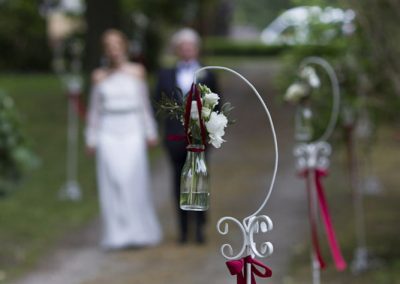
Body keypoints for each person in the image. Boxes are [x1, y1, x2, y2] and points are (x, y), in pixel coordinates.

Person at [85, 29, 162, 249]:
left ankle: (138, 230)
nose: (114, 50)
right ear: (105, 50)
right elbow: (94, 111)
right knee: (113, 179)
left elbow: (144, 105)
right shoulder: (99, 76)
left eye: (117, 44)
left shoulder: (137, 72)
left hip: (132, 131)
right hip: (108, 131)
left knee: (132, 178)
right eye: (109, 46)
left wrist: (150, 132)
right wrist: (91, 138)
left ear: (124, 46)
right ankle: (116, 232)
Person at [155, 28, 218, 244]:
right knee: (178, 181)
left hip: (199, 138)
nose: (187, 50)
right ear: (177, 50)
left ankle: (200, 226)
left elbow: (216, 105)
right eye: (182, 47)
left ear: (196, 49)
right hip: (175, 138)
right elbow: (158, 103)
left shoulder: (208, 73)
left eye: (190, 46)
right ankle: (182, 228)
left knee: (199, 181)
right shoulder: (165, 74)